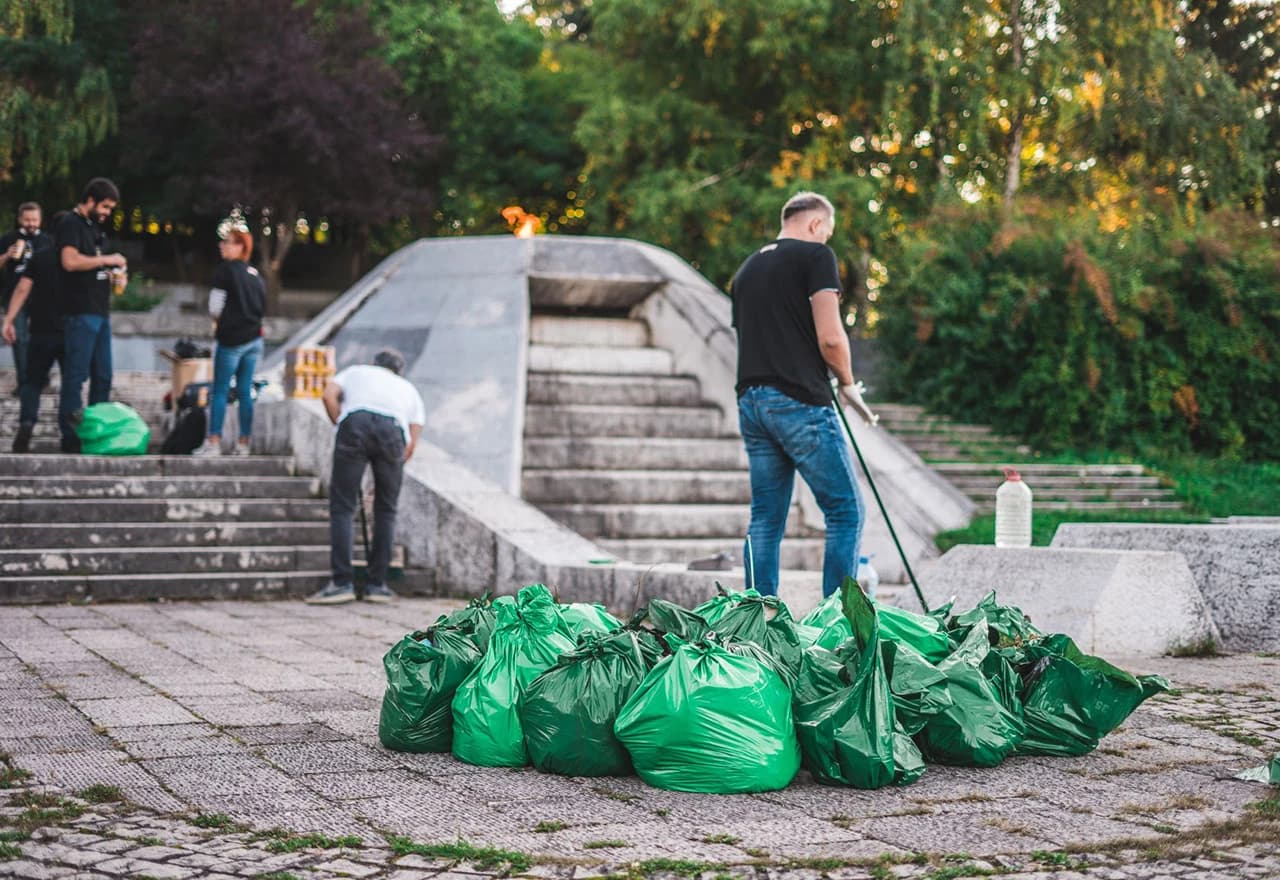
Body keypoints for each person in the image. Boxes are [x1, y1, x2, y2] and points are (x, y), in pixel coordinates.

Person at [729, 191, 878, 599]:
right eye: (826, 233)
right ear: (815, 225)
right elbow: (830, 338)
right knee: (846, 511)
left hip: (752, 403)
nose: (825, 240)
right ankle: (838, 619)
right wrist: (847, 383)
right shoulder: (815, 257)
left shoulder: (746, 270)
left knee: (765, 519)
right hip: (798, 402)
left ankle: (757, 617)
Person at [307, 349, 425, 605]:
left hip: (355, 423)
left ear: (375, 364)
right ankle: (377, 586)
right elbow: (413, 434)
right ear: (398, 371)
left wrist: (341, 424)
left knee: (343, 506)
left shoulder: (356, 371)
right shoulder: (407, 388)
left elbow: (328, 395)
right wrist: (396, 458)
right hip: (393, 432)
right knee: (386, 510)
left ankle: (341, 583)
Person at [55, 178, 125, 454]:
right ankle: (70, 436)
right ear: (91, 199)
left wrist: (114, 274)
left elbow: (93, 264)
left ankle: (95, 432)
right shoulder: (70, 224)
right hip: (79, 312)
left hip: (100, 311)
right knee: (76, 376)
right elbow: (69, 261)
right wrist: (107, 260)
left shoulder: (93, 228)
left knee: (103, 376)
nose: (107, 212)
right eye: (105, 206)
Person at [194, 227, 266, 456]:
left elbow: (215, 307)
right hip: (255, 340)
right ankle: (243, 443)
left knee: (220, 391)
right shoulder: (255, 275)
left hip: (231, 340)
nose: (222, 245)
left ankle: (214, 441)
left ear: (241, 247)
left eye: (228, 242)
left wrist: (221, 322)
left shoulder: (225, 271)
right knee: (245, 392)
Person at [3, 212, 66, 453]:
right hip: (68, 328)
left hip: (40, 328)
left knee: (31, 382)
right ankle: (68, 433)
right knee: (71, 381)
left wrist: (8, 319)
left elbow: (22, 289)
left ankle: (27, 421)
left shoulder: (40, 257)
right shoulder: (78, 260)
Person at [0, 202, 51, 393]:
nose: (31, 224)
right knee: (20, 339)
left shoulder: (47, 241)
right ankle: (25, 383)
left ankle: (41, 378)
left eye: (35, 220)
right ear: (20, 219)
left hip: (41, 297)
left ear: (40, 220)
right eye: (27, 220)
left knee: (40, 339)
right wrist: (7, 255)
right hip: (14, 296)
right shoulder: (8, 239)